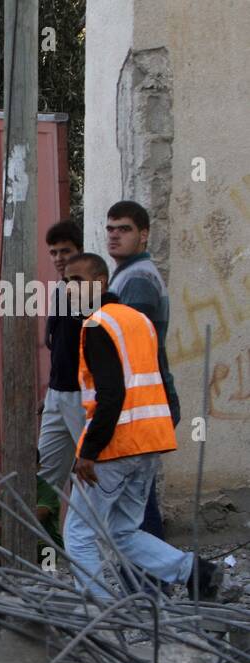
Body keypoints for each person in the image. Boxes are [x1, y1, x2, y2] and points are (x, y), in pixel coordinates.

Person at [61, 252, 220, 601]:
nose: (69, 289)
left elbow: (112, 393)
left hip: (114, 446)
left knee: (79, 535)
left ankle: (99, 615)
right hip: (148, 443)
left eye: (76, 281)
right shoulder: (137, 321)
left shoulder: (96, 324)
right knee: (122, 530)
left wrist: (88, 451)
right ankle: (194, 571)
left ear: (100, 282)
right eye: (66, 282)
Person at [106, 200, 176, 540]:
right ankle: (149, 582)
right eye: (110, 229)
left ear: (143, 235)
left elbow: (128, 351)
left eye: (124, 229)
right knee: (135, 501)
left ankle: (150, 583)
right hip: (139, 403)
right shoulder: (128, 276)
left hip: (138, 405)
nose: (114, 236)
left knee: (136, 505)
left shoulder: (137, 280)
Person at [37, 219, 85, 495]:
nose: (58, 258)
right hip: (58, 394)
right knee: (44, 476)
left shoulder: (89, 291)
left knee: (93, 476)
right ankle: (43, 538)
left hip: (82, 396)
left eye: (65, 251)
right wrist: (51, 392)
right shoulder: (59, 290)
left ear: (79, 251)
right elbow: (60, 348)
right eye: (53, 252)